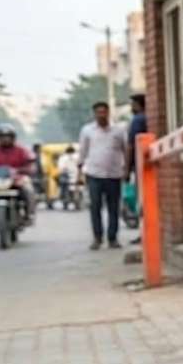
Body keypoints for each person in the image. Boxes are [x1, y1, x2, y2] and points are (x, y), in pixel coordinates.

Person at [78, 101, 128, 250]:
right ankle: (97, 238)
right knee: (95, 207)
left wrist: (126, 169)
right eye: (98, 112)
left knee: (114, 208)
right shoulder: (87, 130)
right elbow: (83, 151)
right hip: (94, 174)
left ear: (108, 113)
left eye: (104, 112)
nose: (101, 115)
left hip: (114, 174)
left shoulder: (118, 131)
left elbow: (126, 149)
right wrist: (79, 170)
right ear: (94, 114)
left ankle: (113, 238)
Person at [0, 124, 36, 224]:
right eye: (2, 137)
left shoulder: (21, 150)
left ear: (13, 137)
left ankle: (29, 214)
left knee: (28, 190)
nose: (5, 139)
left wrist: (25, 169)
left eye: (8, 137)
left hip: (17, 178)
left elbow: (29, 163)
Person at [126, 94, 147, 244]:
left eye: (133, 104)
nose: (131, 107)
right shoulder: (148, 118)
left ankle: (144, 233)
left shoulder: (137, 120)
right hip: (148, 163)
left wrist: (126, 168)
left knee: (142, 200)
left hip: (140, 166)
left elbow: (130, 145)